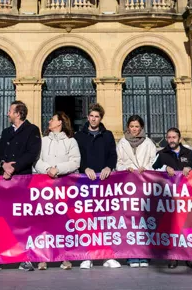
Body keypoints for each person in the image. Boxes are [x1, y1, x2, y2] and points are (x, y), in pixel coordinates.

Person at [0, 100, 41, 272]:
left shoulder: (32, 130)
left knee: (22, 220)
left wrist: (13, 167)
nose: (7, 114)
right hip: (4, 179)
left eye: (10, 111)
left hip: (21, 179)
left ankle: (25, 257)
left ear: (18, 113)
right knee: (2, 218)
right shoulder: (6, 132)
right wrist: (3, 164)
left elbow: (32, 153)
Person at [73, 103, 121, 269]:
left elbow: (112, 154)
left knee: (104, 220)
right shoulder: (79, 136)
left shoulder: (107, 135)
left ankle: (107, 256)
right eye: (91, 116)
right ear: (88, 117)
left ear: (101, 119)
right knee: (87, 220)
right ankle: (88, 256)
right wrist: (84, 168)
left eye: (97, 117)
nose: (94, 119)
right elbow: (77, 156)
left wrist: (109, 166)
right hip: (85, 181)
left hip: (104, 182)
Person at [33, 113, 81, 270]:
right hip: (45, 186)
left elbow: (75, 161)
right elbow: (36, 160)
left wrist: (58, 169)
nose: (49, 121)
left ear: (60, 122)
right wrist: (47, 169)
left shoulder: (70, 141)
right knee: (44, 221)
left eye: (52, 119)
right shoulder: (43, 140)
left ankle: (65, 256)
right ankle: (42, 257)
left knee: (63, 222)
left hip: (64, 186)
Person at [116, 115, 158, 268]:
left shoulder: (148, 143)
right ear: (128, 127)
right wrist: (125, 168)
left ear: (141, 127)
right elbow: (118, 162)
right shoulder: (122, 142)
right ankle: (131, 255)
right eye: (132, 126)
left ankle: (144, 254)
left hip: (144, 185)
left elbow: (154, 161)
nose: (134, 129)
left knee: (144, 220)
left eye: (137, 126)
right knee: (130, 221)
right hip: (128, 186)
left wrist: (146, 169)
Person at [155, 127, 192, 268]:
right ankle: (173, 257)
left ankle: (190, 257)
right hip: (170, 198)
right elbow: (152, 171)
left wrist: (190, 169)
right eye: (169, 137)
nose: (171, 140)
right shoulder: (161, 154)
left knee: (188, 227)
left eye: (174, 137)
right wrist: (164, 169)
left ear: (179, 139)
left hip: (187, 198)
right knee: (172, 228)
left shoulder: (189, 153)